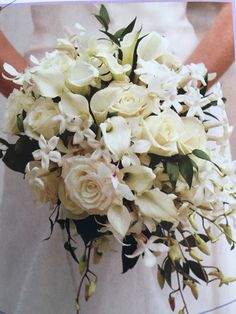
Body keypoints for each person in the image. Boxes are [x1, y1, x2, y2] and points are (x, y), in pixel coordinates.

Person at [0, 2, 235, 314]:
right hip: (48, 122)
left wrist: (178, 93)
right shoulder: (43, 114)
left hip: (179, 106)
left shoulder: (180, 99)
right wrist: (36, 100)